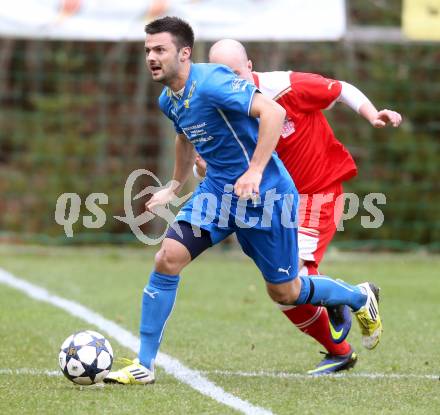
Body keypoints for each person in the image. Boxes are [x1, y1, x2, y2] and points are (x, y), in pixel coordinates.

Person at [105, 17, 382, 385]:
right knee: (167, 258)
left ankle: (357, 296)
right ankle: (144, 365)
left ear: (184, 53)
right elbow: (184, 138)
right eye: (148, 51)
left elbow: (274, 112)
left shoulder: (213, 81)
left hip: (266, 195)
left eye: (160, 50)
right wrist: (173, 186)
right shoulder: (167, 99)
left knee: (287, 291)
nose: (152, 58)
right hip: (219, 194)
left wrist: (254, 170)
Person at [193, 39, 401, 375]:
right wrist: (200, 169)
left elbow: (340, 88)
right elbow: (210, 163)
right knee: (281, 289)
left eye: (234, 72)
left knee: (295, 279)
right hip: (274, 202)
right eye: (220, 74)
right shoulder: (218, 106)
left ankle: (352, 297)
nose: (229, 81)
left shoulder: (284, 87)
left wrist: (371, 113)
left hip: (318, 192)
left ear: (250, 66)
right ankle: (339, 349)